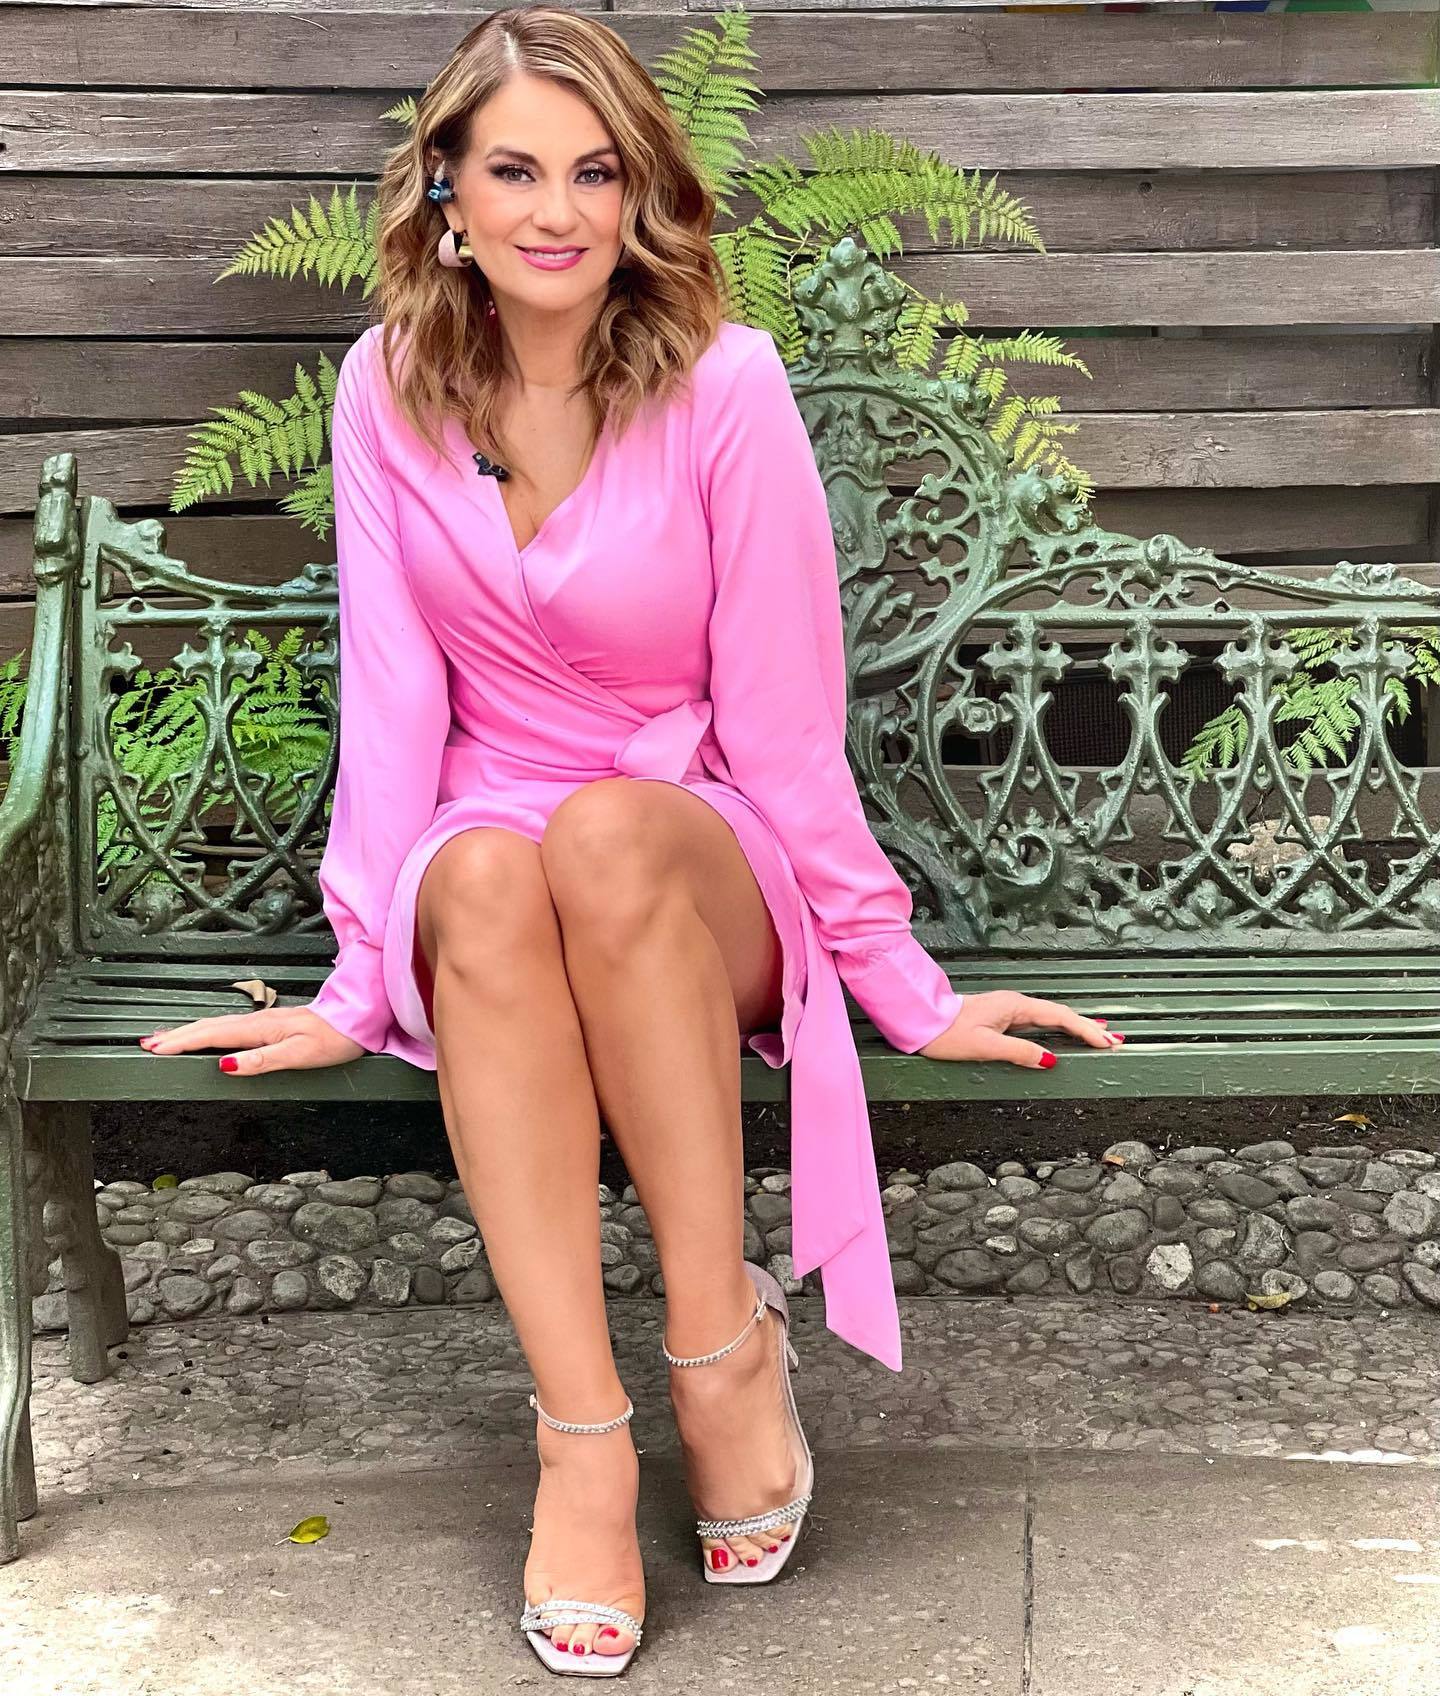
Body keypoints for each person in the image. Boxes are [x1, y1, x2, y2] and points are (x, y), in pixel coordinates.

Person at [139, 6, 1121, 1676]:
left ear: (641, 192)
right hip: (491, 836)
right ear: (446, 189)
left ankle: (720, 1348)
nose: (557, 211)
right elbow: (393, 694)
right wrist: (359, 978)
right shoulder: (387, 390)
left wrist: (897, 978)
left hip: (692, 847)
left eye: (595, 173)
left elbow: (787, 715)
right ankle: (582, 1442)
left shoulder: (726, 384)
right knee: (487, 873)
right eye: (515, 170)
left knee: (600, 835)